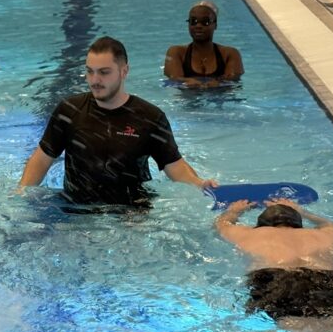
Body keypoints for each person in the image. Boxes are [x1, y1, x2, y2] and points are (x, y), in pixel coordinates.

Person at [19, 36, 216, 208]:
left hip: (131, 214)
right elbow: (42, 158)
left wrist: (199, 184)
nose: (94, 80)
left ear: (124, 71)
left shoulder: (149, 118)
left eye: (104, 72)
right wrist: (21, 194)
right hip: (77, 210)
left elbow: (175, 166)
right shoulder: (69, 111)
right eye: (90, 71)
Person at [215, 198, 333, 320]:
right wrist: (303, 211)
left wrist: (234, 211)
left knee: (294, 331)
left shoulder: (249, 234)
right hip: (330, 281)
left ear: (260, 225)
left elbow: (221, 225)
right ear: (298, 224)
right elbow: (332, 225)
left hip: (278, 281)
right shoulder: (328, 235)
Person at [163, 0, 244, 87]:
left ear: (215, 25)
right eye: (193, 21)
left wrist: (220, 84)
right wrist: (186, 82)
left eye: (205, 22)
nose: (198, 26)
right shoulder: (176, 52)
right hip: (189, 98)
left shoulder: (229, 54)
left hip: (220, 97)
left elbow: (234, 81)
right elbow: (174, 79)